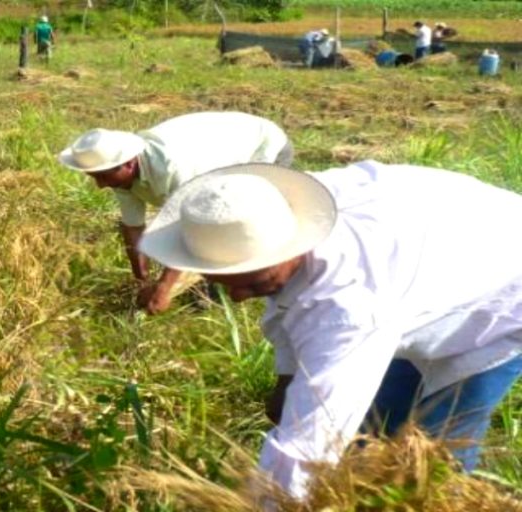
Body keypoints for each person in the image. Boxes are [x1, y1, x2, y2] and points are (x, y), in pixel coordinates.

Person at [138, 160, 522, 501]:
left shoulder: (348, 306)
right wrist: (288, 378)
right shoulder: (274, 209)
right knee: (372, 430)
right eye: (223, 283)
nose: (237, 298)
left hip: (501, 297)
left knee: (433, 456)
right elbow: (290, 297)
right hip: (438, 261)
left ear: (292, 247)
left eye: (254, 283)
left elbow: (305, 452)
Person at [58, 112, 292, 314]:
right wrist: (142, 282)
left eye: (103, 177)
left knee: (240, 222)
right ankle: (207, 287)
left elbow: (192, 231)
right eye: (95, 177)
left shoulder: (175, 168)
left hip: (260, 146)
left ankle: (254, 288)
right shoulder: (117, 172)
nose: (100, 185)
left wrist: (163, 288)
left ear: (128, 164)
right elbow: (133, 228)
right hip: (217, 154)